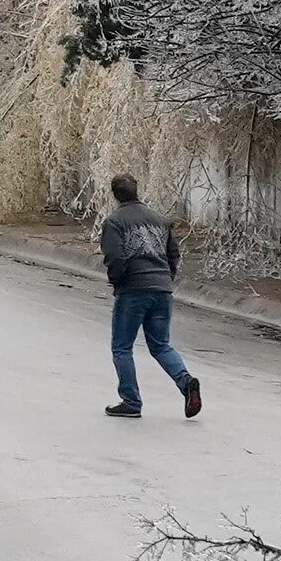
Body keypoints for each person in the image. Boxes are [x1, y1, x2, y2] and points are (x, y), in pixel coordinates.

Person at [98, 174, 202, 419]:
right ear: (137, 191)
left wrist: (118, 281)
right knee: (161, 345)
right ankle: (185, 382)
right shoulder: (160, 220)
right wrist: (165, 279)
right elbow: (173, 255)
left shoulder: (114, 222)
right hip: (162, 289)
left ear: (114, 194)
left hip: (133, 290)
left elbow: (115, 257)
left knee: (122, 347)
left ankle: (131, 401)